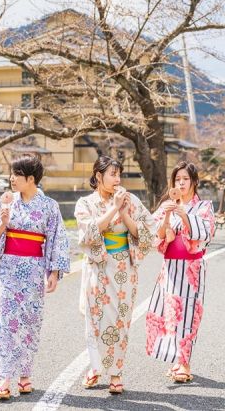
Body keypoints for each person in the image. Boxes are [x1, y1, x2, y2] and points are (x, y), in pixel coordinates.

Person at [0, 155, 70, 400]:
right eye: (12, 173)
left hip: (32, 271)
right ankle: (4, 377)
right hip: (6, 270)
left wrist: (53, 272)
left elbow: (57, 240)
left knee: (29, 322)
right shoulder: (6, 202)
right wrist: (3, 223)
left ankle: (25, 374)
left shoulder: (50, 206)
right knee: (4, 321)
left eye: (17, 174)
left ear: (31, 179)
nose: (12, 178)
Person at [74, 156, 155, 394]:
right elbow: (88, 232)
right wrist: (112, 209)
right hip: (98, 268)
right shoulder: (85, 203)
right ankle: (96, 367)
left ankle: (116, 373)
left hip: (123, 269)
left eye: (119, 174)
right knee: (95, 320)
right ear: (98, 176)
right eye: (112, 174)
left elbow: (146, 232)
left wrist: (123, 210)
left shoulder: (131, 201)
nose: (118, 179)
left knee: (120, 322)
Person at [145, 161, 215, 383]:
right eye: (177, 180)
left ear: (194, 182)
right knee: (170, 314)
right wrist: (167, 215)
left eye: (185, 179)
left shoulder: (204, 207)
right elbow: (156, 235)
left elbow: (205, 233)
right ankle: (176, 360)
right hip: (170, 268)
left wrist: (184, 214)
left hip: (191, 269)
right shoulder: (167, 205)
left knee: (189, 315)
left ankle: (184, 363)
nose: (181, 183)